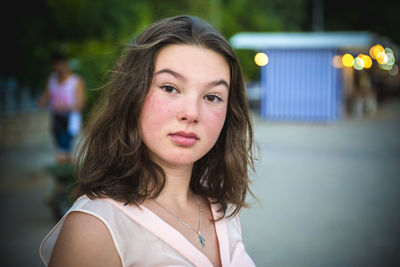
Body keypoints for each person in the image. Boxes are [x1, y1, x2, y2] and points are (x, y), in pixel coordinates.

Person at [40, 15, 256, 267]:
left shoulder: (223, 207)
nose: (192, 113)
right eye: (169, 88)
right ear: (133, 95)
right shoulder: (96, 227)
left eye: (212, 96)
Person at [38, 52, 86, 164]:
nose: (58, 68)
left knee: (62, 153)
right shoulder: (51, 79)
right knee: (65, 153)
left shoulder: (75, 81)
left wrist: (65, 107)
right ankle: (69, 177)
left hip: (70, 121)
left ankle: (63, 178)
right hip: (56, 120)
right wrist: (42, 101)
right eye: (56, 65)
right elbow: (46, 97)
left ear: (66, 64)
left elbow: (81, 104)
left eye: (60, 64)